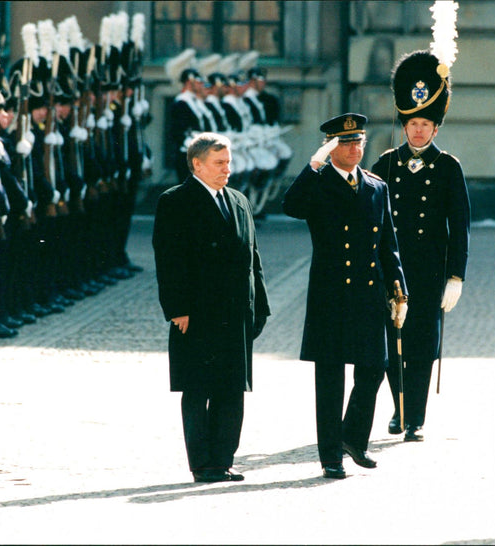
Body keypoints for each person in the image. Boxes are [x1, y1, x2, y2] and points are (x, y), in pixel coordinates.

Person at [283, 113, 408, 479]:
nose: (355, 149)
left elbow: (388, 243)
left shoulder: (375, 186)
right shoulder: (318, 183)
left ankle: (353, 438)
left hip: (369, 294)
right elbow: (290, 206)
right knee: (331, 379)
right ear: (333, 147)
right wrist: (313, 164)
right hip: (331, 295)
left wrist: (399, 288)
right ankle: (330, 455)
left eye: (359, 143)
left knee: (374, 368)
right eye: (347, 143)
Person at [153, 132, 270, 483]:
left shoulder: (238, 200)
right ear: (197, 164)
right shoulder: (175, 201)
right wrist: (177, 308)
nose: (227, 170)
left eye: (229, 162)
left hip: (236, 313)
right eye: (219, 163)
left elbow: (253, 258)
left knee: (232, 389)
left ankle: (224, 459)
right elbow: (168, 260)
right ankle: (202, 464)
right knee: (199, 387)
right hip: (198, 313)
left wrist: (259, 306)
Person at [370, 50, 470, 442]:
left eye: (425, 124)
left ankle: (416, 418)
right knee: (393, 341)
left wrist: (456, 276)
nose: (418, 131)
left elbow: (459, 225)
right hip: (393, 270)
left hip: (430, 272)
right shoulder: (384, 164)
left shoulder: (449, 167)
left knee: (423, 344)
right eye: (413, 123)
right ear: (405, 124)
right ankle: (399, 407)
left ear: (435, 128)